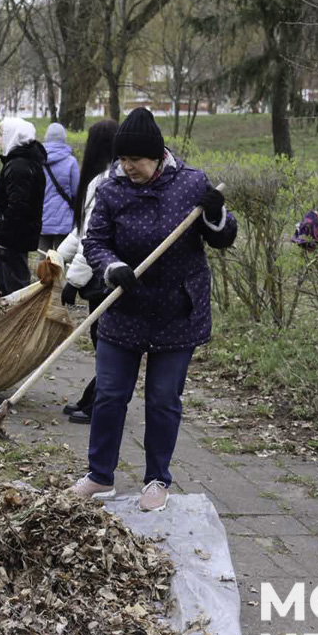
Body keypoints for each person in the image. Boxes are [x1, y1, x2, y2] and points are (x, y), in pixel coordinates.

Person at [72, 107, 236, 511]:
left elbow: (223, 238)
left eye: (135, 160)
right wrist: (112, 267)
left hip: (178, 310)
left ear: (158, 155)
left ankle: (157, 480)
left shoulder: (191, 183)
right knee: (109, 394)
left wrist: (215, 214)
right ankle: (99, 476)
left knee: (163, 399)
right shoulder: (110, 189)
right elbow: (94, 242)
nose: (127, 167)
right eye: (122, 159)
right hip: (124, 309)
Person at [56, 119, 119, 424]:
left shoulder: (108, 183)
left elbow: (92, 238)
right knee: (100, 339)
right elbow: (80, 230)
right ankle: (95, 396)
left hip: (104, 274)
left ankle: (101, 403)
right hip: (96, 273)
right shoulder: (98, 181)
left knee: (105, 341)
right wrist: (58, 256)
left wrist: (73, 281)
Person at [0, 117, 46, 296]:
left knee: (15, 287)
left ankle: (20, 314)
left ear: (13, 136)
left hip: (14, 237)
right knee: (0, 284)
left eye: (1, 134)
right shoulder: (22, 162)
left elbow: (18, 206)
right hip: (12, 237)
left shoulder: (19, 166)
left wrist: (1, 222)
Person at [39, 122, 80, 251]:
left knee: (43, 256)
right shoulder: (71, 161)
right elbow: (76, 191)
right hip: (64, 219)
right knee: (61, 256)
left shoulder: (38, 161)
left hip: (42, 218)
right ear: (63, 138)